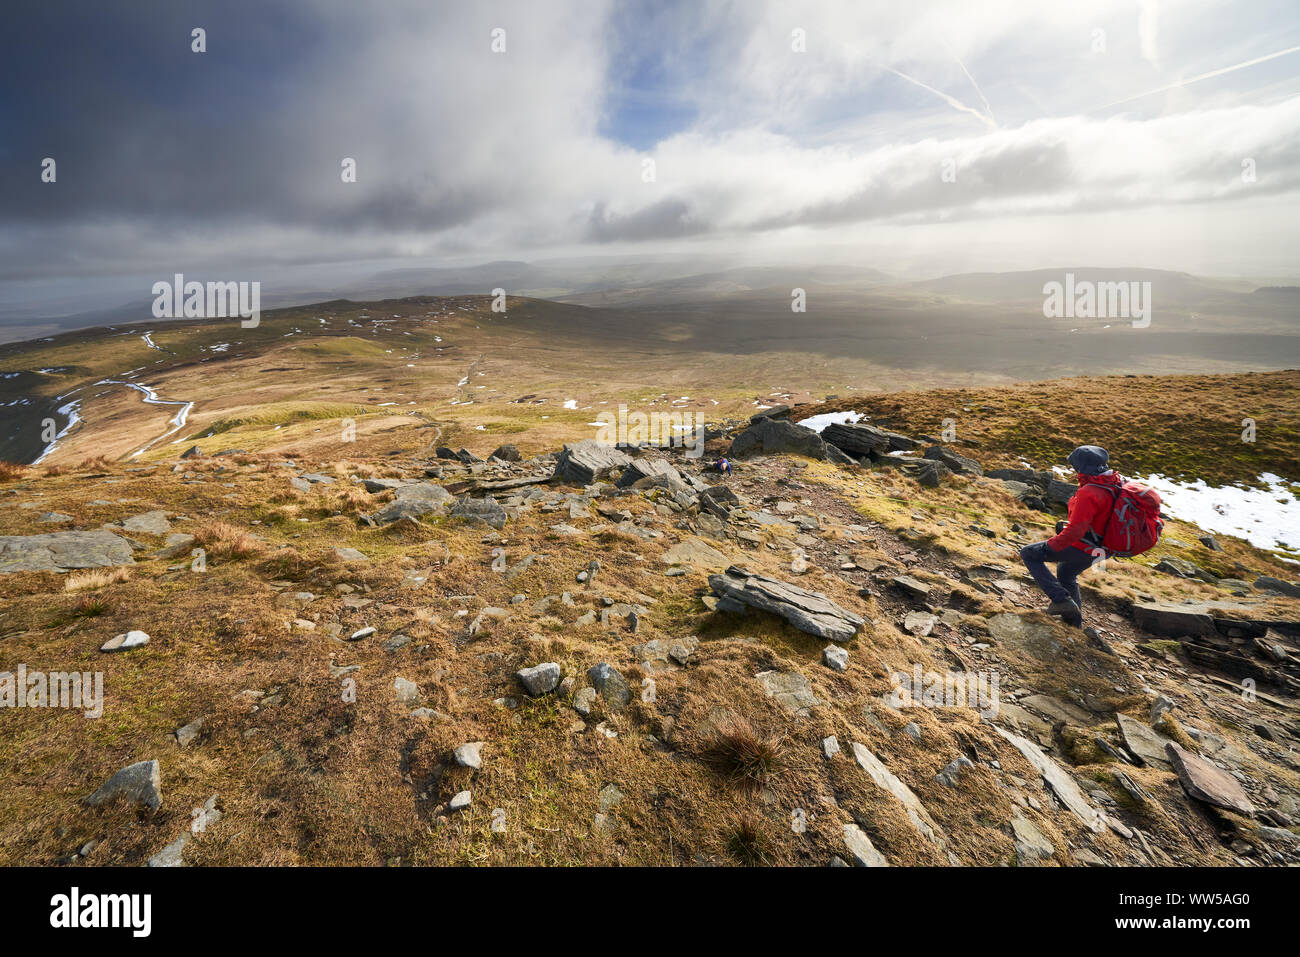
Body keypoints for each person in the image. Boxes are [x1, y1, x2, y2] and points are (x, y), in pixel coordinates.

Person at [1019, 445, 1122, 628]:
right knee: (1066, 572)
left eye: (1075, 466)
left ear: (1083, 467)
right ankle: (1073, 624)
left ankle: (1061, 601)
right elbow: (1099, 520)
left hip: (1086, 546)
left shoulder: (1089, 492)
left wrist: (1051, 545)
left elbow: (1076, 532)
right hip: (1103, 548)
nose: (1074, 470)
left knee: (1029, 553)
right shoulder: (1114, 484)